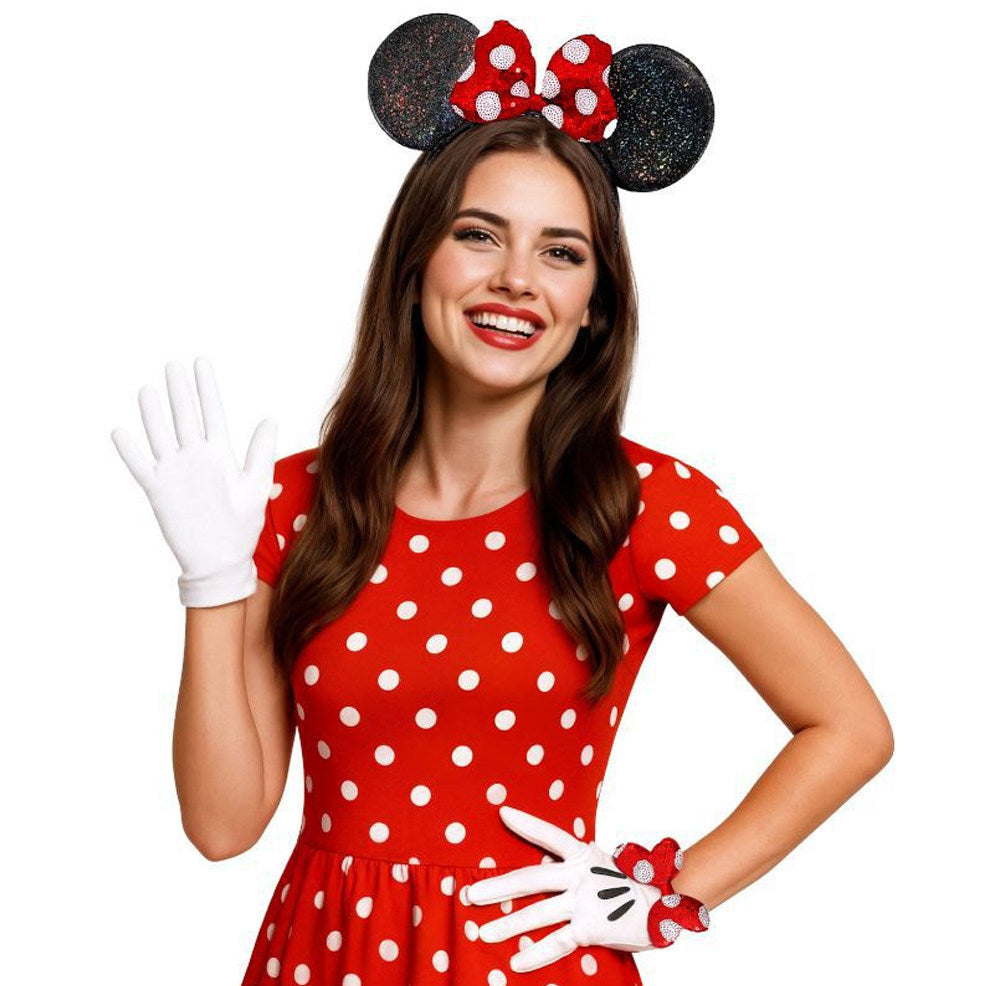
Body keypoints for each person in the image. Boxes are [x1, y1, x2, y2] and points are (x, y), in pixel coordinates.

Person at [111, 16, 894, 986]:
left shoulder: (646, 504)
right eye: (478, 235)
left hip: (533, 961)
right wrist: (211, 580)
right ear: (415, 265)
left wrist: (667, 891)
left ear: (594, 304)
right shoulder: (294, 501)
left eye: (562, 253)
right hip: (322, 956)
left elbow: (849, 727)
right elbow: (223, 825)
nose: (516, 280)